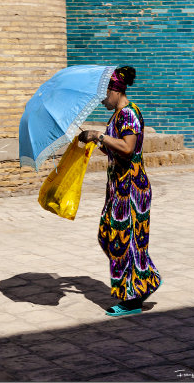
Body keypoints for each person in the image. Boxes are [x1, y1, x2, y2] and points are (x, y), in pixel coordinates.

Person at [79, 66, 162, 316]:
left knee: (126, 243)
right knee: (108, 235)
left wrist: (100, 136)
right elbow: (116, 150)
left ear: (115, 90)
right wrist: (95, 140)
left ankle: (132, 299)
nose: (102, 100)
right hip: (118, 189)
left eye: (103, 95)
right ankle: (146, 279)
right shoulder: (116, 116)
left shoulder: (129, 114)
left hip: (133, 190)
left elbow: (127, 148)